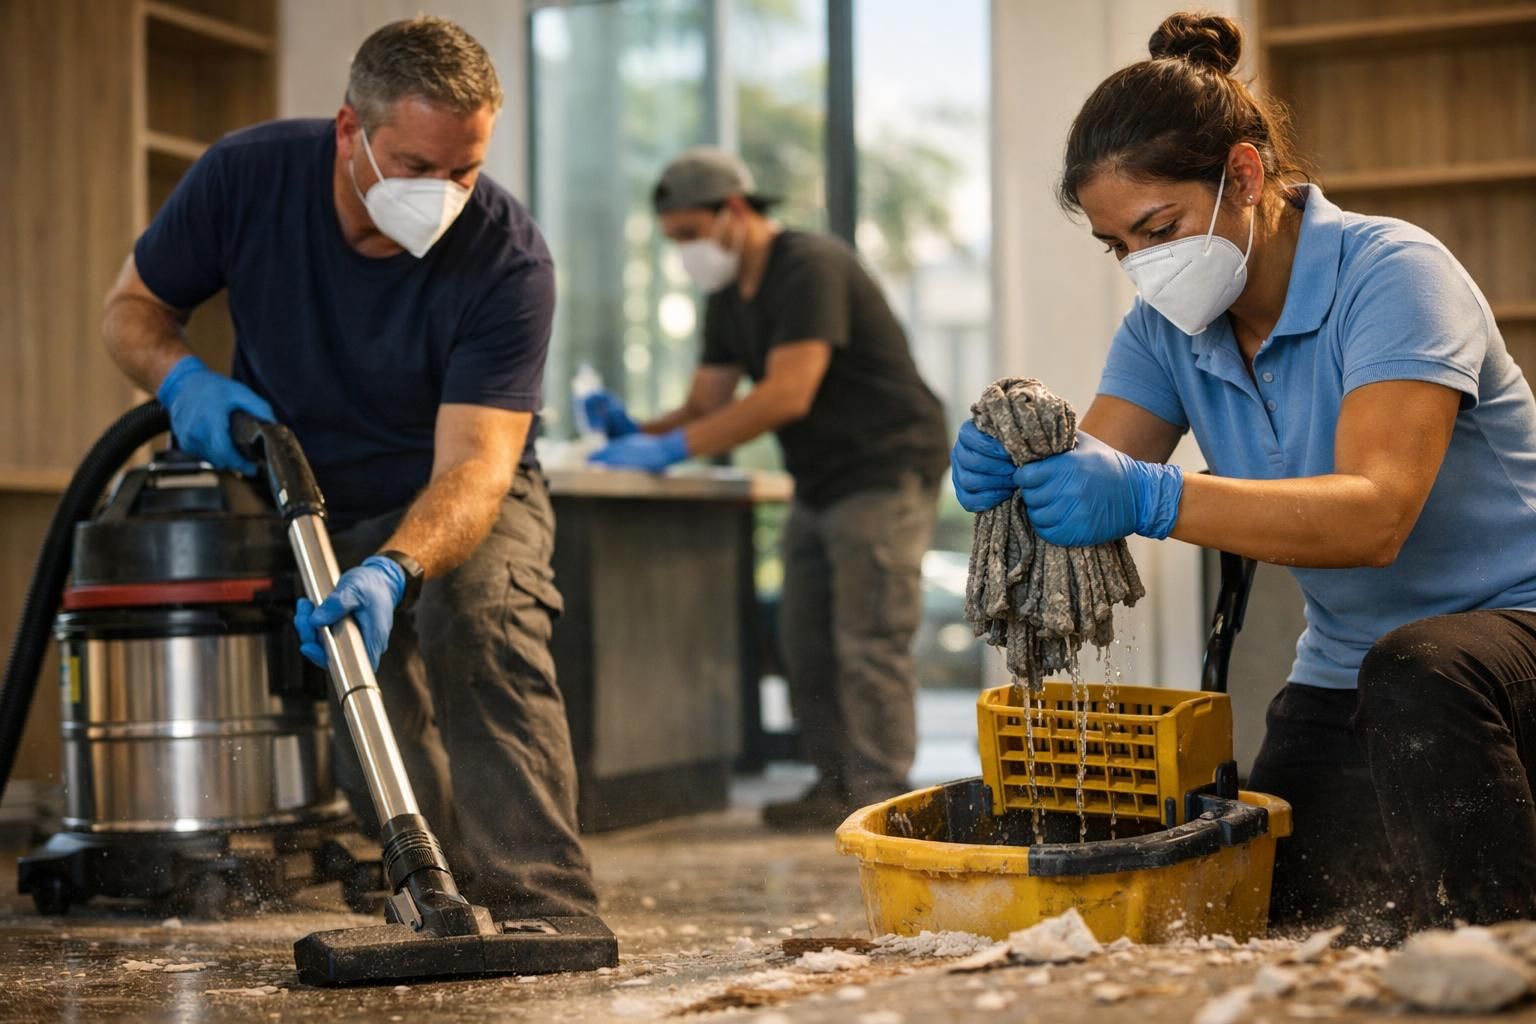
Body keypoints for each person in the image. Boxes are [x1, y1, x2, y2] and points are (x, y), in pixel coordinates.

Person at [952, 11, 1536, 938]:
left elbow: (1374, 518)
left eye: (1160, 228)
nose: (1144, 268)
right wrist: (1017, 474)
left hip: (1511, 635)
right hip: (1352, 666)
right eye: (1119, 248)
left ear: (1246, 176)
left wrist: (1155, 495)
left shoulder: (1394, 276)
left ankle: (1507, 960)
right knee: (1285, 913)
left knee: (1421, 673)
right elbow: (1094, 478)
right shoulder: (1165, 329)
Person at [101, 16, 599, 921]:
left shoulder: (505, 257)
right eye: (417, 167)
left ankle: (544, 908)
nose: (444, 193)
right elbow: (130, 308)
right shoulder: (245, 178)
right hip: (311, 496)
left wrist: (396, 567)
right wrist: (183, 383)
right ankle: (440, 897)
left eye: (466, 169)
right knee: (370, 707)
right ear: (349, 132)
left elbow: (479, 467)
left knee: (479, 620)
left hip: (457, 489)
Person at [585, 149, 949, 829]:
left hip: (885, 464)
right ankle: (835, 784)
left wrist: (672, 450)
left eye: (691, 234)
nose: (686, 252)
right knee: (803, 636)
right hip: (818, 476)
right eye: (674, 241)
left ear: (736, 210)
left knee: (868, 637)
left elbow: (787, 393)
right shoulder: (727, 298)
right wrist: (636, 429)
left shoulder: (809, 267)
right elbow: (706, 401)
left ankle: (880, 799)